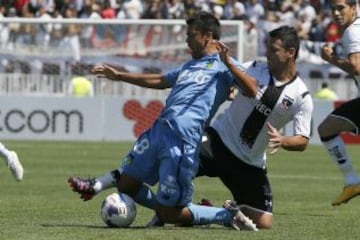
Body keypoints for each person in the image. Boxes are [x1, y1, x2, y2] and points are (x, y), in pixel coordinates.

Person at [68, 11, 258, 231]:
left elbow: (252, 89)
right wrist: (119, 75)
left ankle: (226, 215)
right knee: (126, 185)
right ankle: (184, 210)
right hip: (159, 130)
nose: (186, 40)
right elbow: (160, 80)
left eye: (191, 35)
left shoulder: (224, 65)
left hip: (182, 140)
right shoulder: (189, 66)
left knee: (170, 214)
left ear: (207, 36)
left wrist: (229, 64)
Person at [148, 25, 314, 229]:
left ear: (291, 53)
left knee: (264, 223)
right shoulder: (254, 67)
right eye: (267, 48)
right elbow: (225, 77)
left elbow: (303, 140)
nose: (267, 54)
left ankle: (207, 211)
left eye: (274, 50)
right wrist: (227, 89)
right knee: (174, 164)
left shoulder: (301, 96)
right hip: (217, 141)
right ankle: (166, 210)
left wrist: (283, 140)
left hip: (249, 162)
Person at [318, 0, 360, 206]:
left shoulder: (353, 31)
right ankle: (352, 181)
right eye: (333, 8)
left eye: (341, 8)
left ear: (354, 8)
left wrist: (331, 59)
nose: (335, 13)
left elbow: (356, 67)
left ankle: (352, 181)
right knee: (327, 129)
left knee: (326, 130)